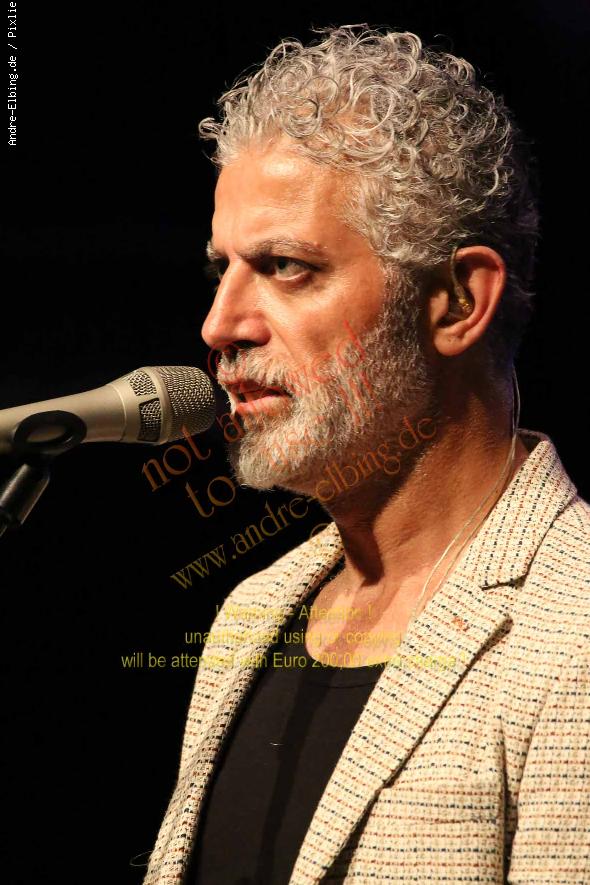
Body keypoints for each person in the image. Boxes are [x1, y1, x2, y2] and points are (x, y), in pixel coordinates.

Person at [143, 24, 590, 884]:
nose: (219, 324)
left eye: (286, 266)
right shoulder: (252, 613)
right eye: (221, 269)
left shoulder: (573, 630)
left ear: (457, 302)